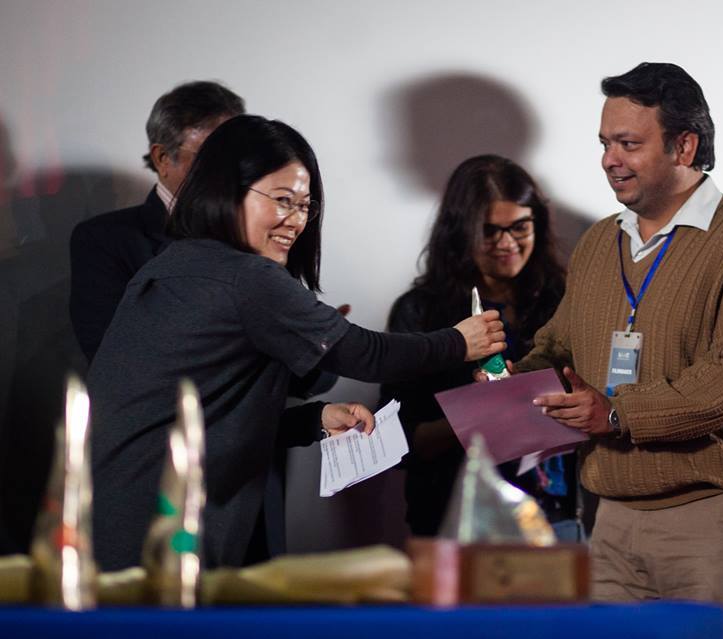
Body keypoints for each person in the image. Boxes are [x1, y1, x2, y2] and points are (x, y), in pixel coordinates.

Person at [88, 115, 506, 571]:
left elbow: (204, 417)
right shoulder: (245, 277)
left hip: (126, 513)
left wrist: (314, 421)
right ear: (228, 191)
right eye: (283, 200)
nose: (297, 220)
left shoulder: (177, 264)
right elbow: (367, 354)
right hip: (165, 522)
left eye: (306, 205)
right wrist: (458, 342)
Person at [508, 62, 723, 638]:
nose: (609, 160)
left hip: (713, 521)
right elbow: (560, 347)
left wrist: (616, 413)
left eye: (628, 144)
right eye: (604, 143)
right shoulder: (598, 242)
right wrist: (509, 379)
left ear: (684, 146)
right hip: (611, 521)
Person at [380, 154, 578, 539]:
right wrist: (479, 415)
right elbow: (398, 441)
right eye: (488, 231)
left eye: (520, 227)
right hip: (453, 516)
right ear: (459, 232)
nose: (506, 243)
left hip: (554, 512)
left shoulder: (564, 299)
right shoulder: (420, 312)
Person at [70, 80, 245, 362]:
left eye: (237, 156)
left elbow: (312, 377)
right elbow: (116, 359)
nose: (229, 170)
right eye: (211, 157)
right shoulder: (103, 240)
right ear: (163, 158)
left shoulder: (259, 230)